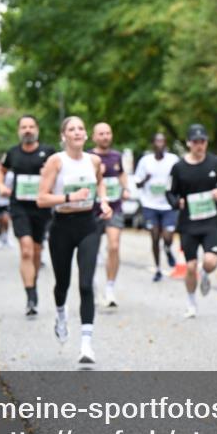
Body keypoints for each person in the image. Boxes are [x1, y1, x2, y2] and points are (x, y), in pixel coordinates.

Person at [37, 116, 111, 364]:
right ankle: (60, 314)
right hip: (62, 226)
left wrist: (104, 202)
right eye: (72, 129)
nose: (77, 132)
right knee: (63, 284)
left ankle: (86, 345)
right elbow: (42, 199)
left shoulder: (94, 160)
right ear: (64, 136)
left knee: (87, 284)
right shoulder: (56, 161)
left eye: (81, 128)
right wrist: (70, 197)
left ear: (86, 135)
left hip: (88, 224)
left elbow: (100, 184)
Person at [168, 124, 217, 318]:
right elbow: (170, 192)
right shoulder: (178, 167)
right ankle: (191, 301)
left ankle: (205, 274)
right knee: (190, 266)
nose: (199, 145)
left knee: (210, 261)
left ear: (206, 142)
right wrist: (178, 202)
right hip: (189, 224)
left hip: (211, 221)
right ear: (188, 143)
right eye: (195, 142)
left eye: (202, 142)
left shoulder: (216, 163)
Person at [0, 115, 55, 315]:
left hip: (41, 206)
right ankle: (30, 296)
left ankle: (34, 282)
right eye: (24, 127)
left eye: (31, 126)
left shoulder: (48, 152)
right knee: (26, 250)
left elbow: (59, 171)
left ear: (37, 129)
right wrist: (0, 185)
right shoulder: (13, 153)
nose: (28, 130)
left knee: (37, 251)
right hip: (19, 206)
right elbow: (1, 169)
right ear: (19, 131)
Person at [89, 122, 130, 307]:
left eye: (108, 133)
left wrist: (126, 188)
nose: (105, 136)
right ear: (94, 137)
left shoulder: (116, 156)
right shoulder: (89, 157)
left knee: (113, 247)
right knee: (92, 250)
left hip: (114, 206)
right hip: (92, 209)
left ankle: (110, 288)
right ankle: (92, 284)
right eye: (101, 133)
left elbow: (121, 174)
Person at [134, 133, 180, 282]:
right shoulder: (145, 161)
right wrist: (146, 179)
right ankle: (158, 269)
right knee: (154, 237)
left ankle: (167, 248)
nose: (160, 143)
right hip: (150, 204)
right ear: (153, 144)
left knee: (167, 236)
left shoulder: (173, 160)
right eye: (157, 141)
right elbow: (137, 183)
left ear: (165, 143)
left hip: (168, 205)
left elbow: (180, 177)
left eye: (162, 141)